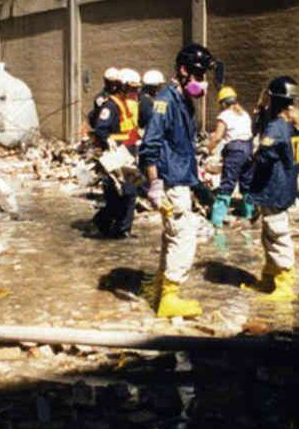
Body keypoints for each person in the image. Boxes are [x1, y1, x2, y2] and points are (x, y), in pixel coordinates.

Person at [139, 44, 216, 318]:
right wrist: (155, 184)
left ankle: (161, 288)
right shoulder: (166, 102)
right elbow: (150, 144)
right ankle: (170, 297)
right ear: (183, 71)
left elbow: (181, 145)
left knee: (172, 236)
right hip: (171, 182)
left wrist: (197, 182)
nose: (202, 82)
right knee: (183, 237)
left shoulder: (182, 101)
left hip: (181, 177)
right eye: (199, 75)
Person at [245, 76, 299, 303]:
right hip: (285, 184)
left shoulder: (276, 127)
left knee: (277, 233)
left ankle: (284, 282)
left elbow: (264, 156)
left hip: (274, 187)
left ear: (273, 99)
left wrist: (253, 159)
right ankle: (269, 278)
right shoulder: (293, 125)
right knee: (269, 233)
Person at [91, 69, 141, 238]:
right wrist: (110, 143)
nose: (134, 91)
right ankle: (119, 228)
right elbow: (101, 129)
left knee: (126, 193)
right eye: (132, 88)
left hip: (127, 152)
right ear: (123, 87)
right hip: (118, 154)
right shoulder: (110, 106)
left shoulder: (124, 103)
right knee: (127, 192)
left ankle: (112, 225)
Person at [206, 86, 255, 227]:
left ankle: (217, 219)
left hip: (235, 151)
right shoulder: (244, 114)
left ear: (223, 103)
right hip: (248, 149)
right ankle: (249, 214)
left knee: (227, 184)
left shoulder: (225, 115)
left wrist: (208, 149)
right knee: (246, 183)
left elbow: (217, 137)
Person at [86, 67, 121, 134]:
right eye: (111, 83)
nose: (114, 86)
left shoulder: (120, 95)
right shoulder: (101, 98)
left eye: (115, 83)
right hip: (108, 130)